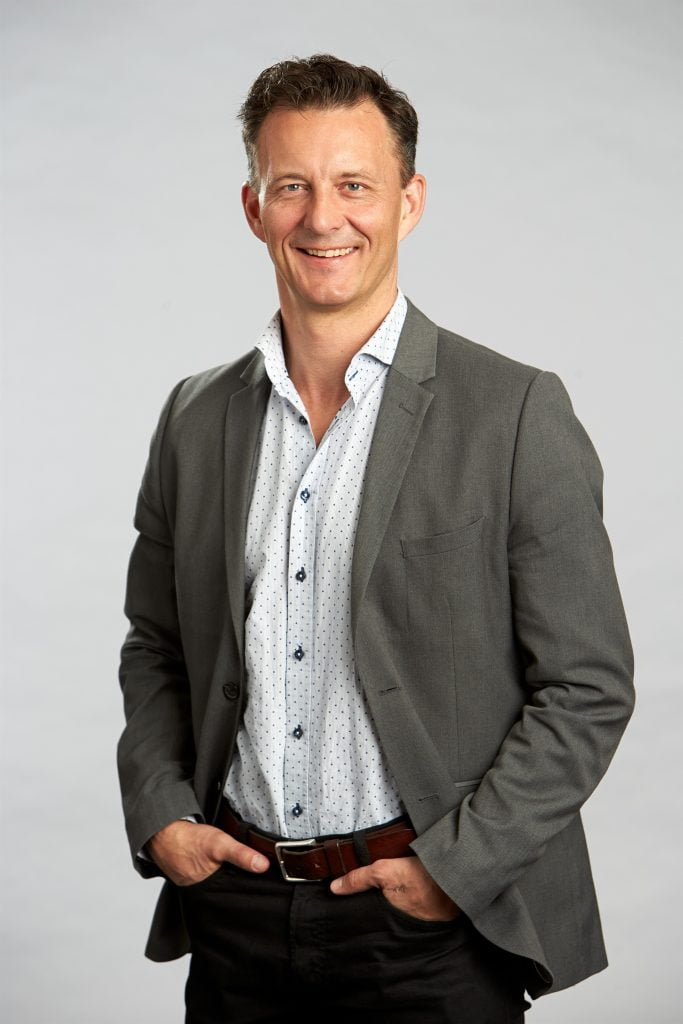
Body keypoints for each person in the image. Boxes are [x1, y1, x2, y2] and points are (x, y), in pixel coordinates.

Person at [117, 54, 635, 1023]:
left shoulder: (513, 413)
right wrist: (161, 814)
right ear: (253, 208)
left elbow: (587, 686)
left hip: (429, 929)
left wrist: (455, 869)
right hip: (234, 914)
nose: (323, 218)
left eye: (354, 185)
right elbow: (155, 644)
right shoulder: (193, 417)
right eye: (292, 187)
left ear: (409, 201)